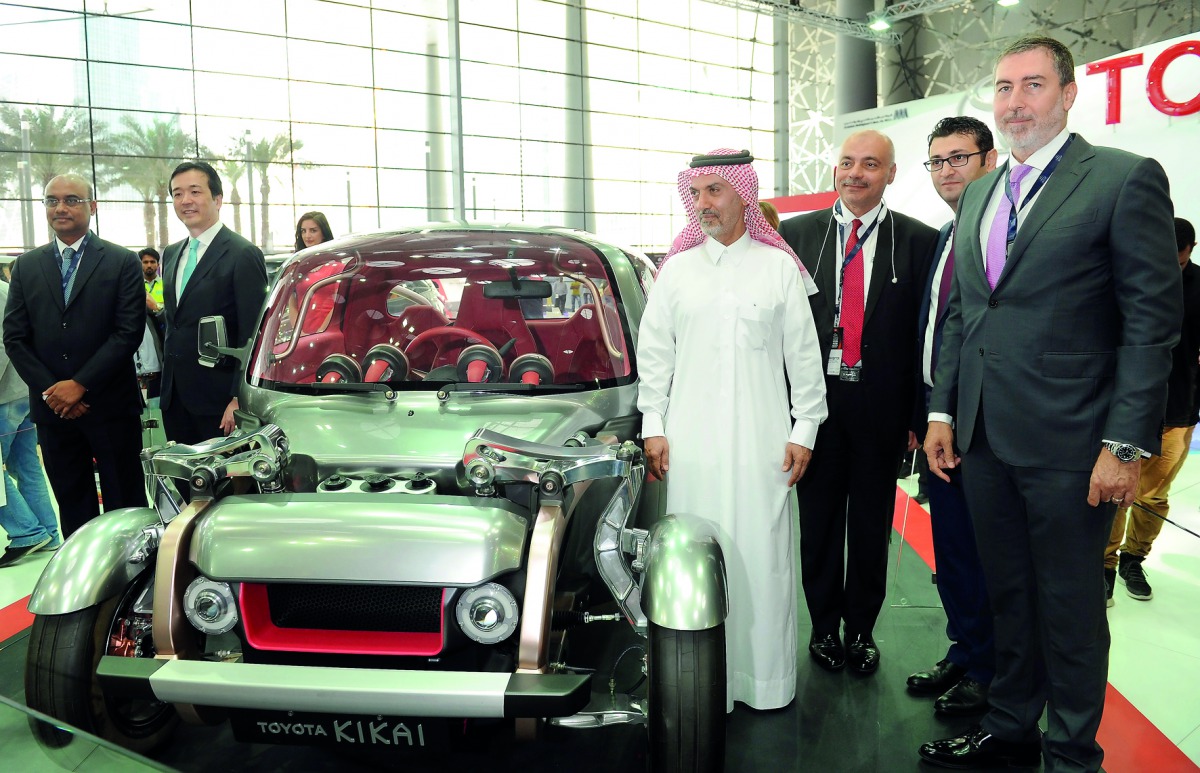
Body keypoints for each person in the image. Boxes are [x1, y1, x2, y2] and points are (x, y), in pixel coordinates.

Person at [921, 35, 1180, 772]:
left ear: (1069, 94)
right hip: (984, 441)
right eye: (1003, 88)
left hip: (1075, 447)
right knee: (1008, 596)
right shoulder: (979, 190)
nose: (1015, 102)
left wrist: (1125, 444)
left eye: (1032, 85)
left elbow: (1149, 326)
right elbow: (965, 316)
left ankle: (1070, 752)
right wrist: (943, 412)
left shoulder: (1123, 180)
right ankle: (1010, 728)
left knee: (1068, 610)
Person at [638, 148, 826, 711]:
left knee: (761, 559)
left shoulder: (778, 269)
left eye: (715, 191)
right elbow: (655, 356)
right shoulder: (676, 271)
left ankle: (764, 683)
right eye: (696, 193)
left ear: (743, 194)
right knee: (694, 558)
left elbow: (804, 358)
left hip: (762, 444)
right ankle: (702, 689)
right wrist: (654, 424)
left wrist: (806, 429)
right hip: (691, 445)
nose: (704, 204)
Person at [777, 130, 938, 675]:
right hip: (814, 409)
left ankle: (861, 630)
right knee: (818, 521)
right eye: (847, 162)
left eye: (870, 164)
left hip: (881, 410)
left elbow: (925, 335)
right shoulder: (797, 236)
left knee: (871, 525)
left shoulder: (917, 241)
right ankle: (823, 627)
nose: (855, 173)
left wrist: (918, 417)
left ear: (891, 174)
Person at [907, 116, 998, 716]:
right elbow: (935, 335)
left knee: (990, 559)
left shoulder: (999, 233)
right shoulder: (947, 234)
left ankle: (991, 674)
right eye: (937, 161)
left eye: (959, 158)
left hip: (983, 431)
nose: (947, 172)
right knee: (955, 552)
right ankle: (964, 651)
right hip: (940, 424)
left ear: (989, 161)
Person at [1, 174, 147, 540]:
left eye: (71, 200)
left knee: (125, 504)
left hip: (110, 406)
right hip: (53, 411)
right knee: (72, 503)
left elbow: (127, 332)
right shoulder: (27, 266)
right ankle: (83, 591)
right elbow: (15, 338)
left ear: (92, 207)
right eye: (52, 200)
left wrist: (80, 384)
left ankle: (131, 585)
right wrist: (54, 389)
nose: (60, 208)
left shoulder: (121, 261)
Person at [1105, 216, 1200, 605]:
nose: (1169, 268)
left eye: (1177, 263)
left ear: (1189, 252)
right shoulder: (1130, 275)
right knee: (1113, 490)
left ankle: (1132, 559)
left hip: (1177, 412)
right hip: (1125, 410)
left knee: (1153, 495)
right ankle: (1104, 566)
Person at [161, 161, 267, 445]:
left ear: (217, 199)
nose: (185, 200)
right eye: (177, 193)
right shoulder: (171, 254)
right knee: (184, 484)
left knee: (222, 485)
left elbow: (253, 334)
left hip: (220, 402)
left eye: (194, 191)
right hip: (176, 400)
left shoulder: (242, 253)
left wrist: (238, 397)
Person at [0, 278, 62, 567]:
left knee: (20, 467)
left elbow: (3, 345)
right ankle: (49, 531)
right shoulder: (6, 287)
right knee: (25, 466)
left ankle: (26, 531)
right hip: (22, 390)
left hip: (4, 395)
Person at [137, 247, 164, 399]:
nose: (149, 265)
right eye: (145, 262)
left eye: (152, 262)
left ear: (158, 265)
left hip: (161, 334)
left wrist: (156, 306)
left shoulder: (166, 285)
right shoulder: (134, 286)